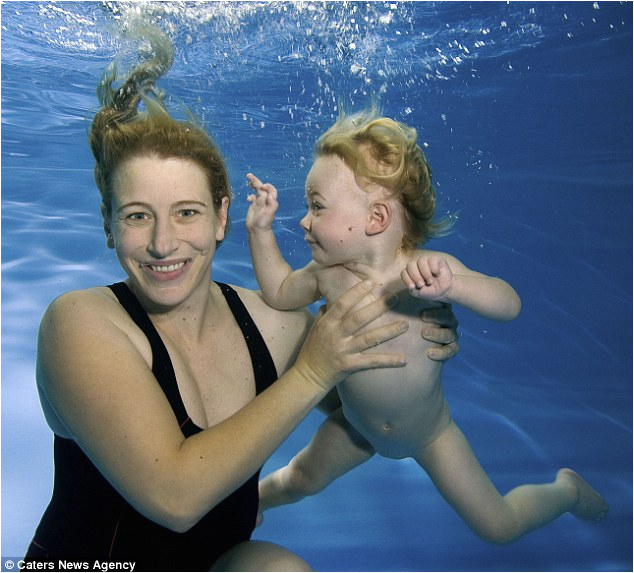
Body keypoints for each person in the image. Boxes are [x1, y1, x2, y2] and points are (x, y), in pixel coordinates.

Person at [23, 28, 460, 572]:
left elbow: (373, 416)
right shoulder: (79, 323)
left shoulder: (276, 327)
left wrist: (414, 330)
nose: (163, 243)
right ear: (109, 227)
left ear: (222, 216)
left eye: (187, 212)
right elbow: (175, 498)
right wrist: (311, 374)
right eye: (137, 215)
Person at [245, 111, 609, 545]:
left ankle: (566, 491)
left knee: (498, 527)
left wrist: (457, 288)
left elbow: (509, 303)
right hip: (356, 429)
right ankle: (245, 506)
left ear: (376, 218)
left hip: (429, 433)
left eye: (316, 206)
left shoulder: (425, 273)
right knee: (298, 481)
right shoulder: (329, 274)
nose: (304, 221)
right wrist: (259, 232)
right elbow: (281, 294)